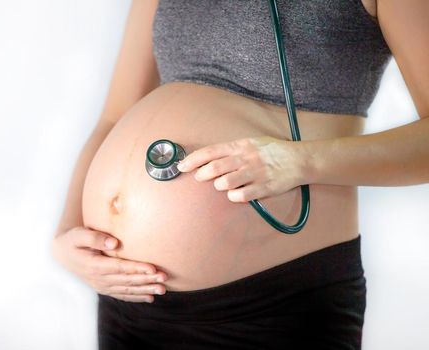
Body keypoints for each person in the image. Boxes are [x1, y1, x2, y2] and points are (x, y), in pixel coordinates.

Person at [51, 0, 429, 349]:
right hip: (126, 301)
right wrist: (68, 232)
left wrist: (300, 160)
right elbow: (114, 116)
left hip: (269, 307)